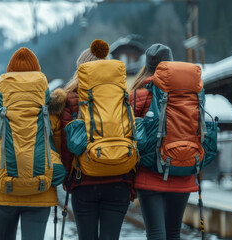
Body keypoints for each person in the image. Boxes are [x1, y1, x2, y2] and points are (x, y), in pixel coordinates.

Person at [0, 47, 67, 240]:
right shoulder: (49, 109)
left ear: (9, 75)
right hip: (41, 191)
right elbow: (57, 149)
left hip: (2, 190)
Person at [60, 39, 136, 240]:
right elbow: (133, 135)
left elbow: (67, 147)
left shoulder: (71, 98)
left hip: (83, 181)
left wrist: (68, 180)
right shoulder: (123, 96)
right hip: (119, 180)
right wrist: (132, 182)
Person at [130, 43, 199, 240]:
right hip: (183, 171)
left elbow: (128, 131)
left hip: (150, 174)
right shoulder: (190, 95)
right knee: (174, 233)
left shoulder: (139, 95)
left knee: (155, 233)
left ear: (147, 66)